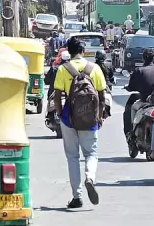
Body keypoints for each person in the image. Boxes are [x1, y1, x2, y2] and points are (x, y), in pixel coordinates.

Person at [53, 36, 108, 208]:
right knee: (91, 154)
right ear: (83, 52)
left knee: (72, 157)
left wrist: (61, 114)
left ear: (68, 52)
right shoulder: (95, 68)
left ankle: (77, 196)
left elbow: (56, 95)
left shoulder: (63, 69)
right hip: (90, 117)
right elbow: (102, 96)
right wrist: (99, 117)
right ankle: (90, 177)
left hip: (69, 118)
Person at [123, 48, 154, 136]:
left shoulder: (139, 70)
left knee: (132, 107)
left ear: (143, 58)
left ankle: (131, 132)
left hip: (145, 102)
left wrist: (127, 88)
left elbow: (131, 87)